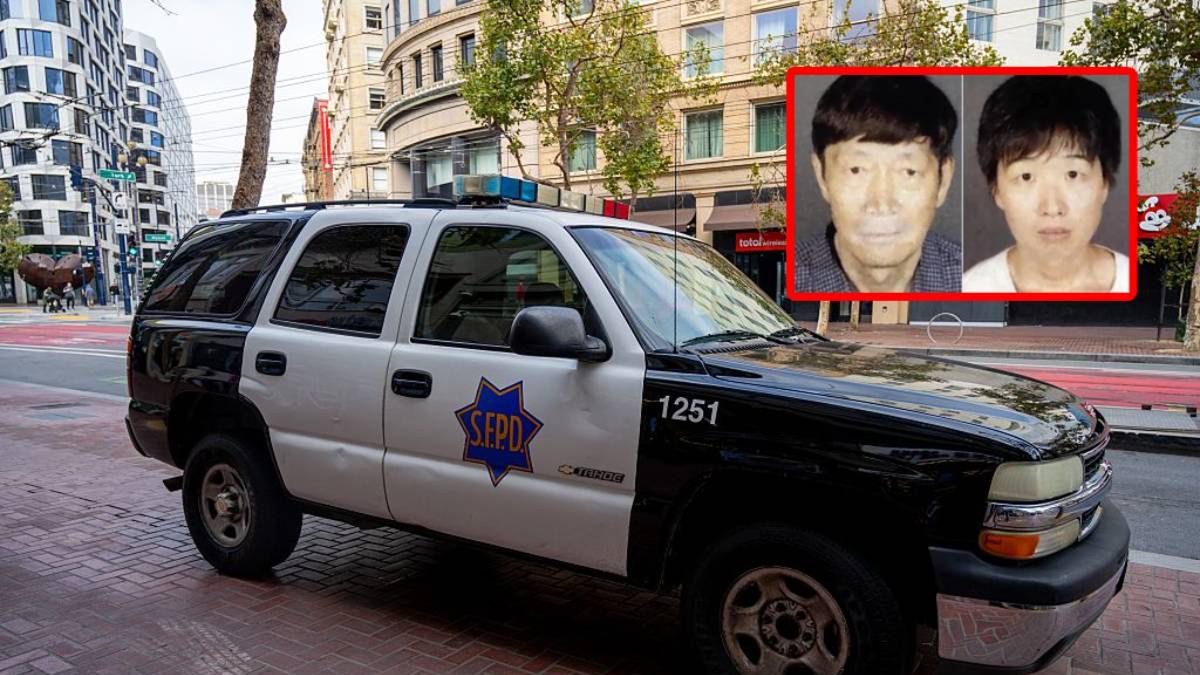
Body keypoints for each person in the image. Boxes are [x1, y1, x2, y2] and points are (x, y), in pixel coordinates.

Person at [794, 75, 962, 293]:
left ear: (944, 180)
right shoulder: (796, 276)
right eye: (856, 170)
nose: (881, 202)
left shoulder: (973, 279)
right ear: (821, 176)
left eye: (908, 172)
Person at [963, 75, 1127, 293]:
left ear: (1104, 183)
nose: (1052, 208)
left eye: (1072, 174)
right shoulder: (971, 288)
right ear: (997, 190)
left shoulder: (1132, 280)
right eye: (1026, 177)